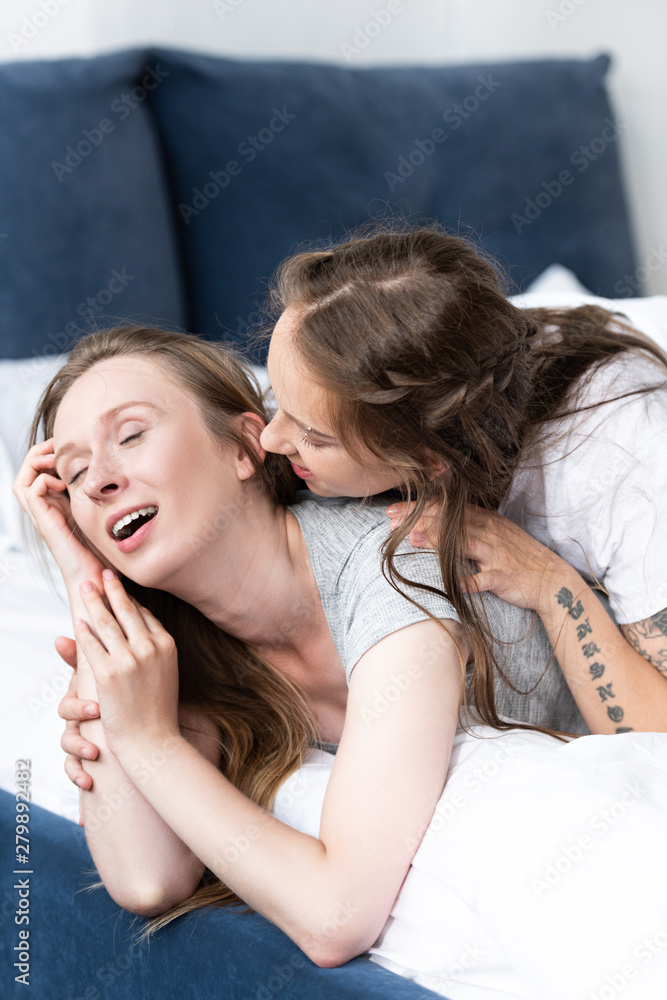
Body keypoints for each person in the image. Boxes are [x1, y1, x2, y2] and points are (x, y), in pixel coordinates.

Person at [13, 326, 667, 1000]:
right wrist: (83, 574)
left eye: (130, 435)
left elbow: (336, 918)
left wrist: (149, 741)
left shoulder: (393, 570)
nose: (100, 481)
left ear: (244, 446)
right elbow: (147, 878)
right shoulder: (191, 651)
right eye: (74, 474)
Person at [257, 223, 667, 735]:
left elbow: (655, 736)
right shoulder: (364, 365)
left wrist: (552, 585)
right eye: (278, 398)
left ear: (430, 461)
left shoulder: (624, 473)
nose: (269, 438)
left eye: (314, 437)